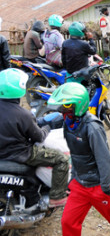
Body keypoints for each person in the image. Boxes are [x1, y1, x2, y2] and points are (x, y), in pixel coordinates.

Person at [47, 83, 110, 236]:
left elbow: (104, 159)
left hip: (99, 185)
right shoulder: (69, 123)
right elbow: (75, 154)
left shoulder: (92, 127)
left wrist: (106, 186)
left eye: (66, 105)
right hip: (80, 184)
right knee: (68, 221)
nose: (63, 110)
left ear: (78, 105)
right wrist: (73, 179)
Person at [0, 68, 69, 208]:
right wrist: (46, 128)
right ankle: (57, 196)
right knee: (61, 159)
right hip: (21, 154)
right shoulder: (23, 115)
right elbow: (38, 136)